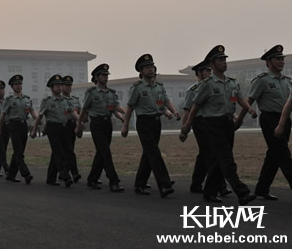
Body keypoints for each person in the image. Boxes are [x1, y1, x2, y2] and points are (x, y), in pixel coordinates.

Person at [181, 45, 257, 205]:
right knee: (227, 159)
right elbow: (194, 106)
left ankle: (209, 192)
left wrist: (249, 109)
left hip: (227, 123)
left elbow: (240, 98)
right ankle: (242, 192)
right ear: (212, 64)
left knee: (217, 160)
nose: (224, 62)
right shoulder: (207, 84)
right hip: (212, 124)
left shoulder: (231, 83)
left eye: (224, 59)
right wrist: (187, 126)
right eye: (220, 60)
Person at [237, 45, 292, 200]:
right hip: (270, 120)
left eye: (282, 59)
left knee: (274, 155)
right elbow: (249, 100)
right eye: (277, 59)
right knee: (284, 156)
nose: (281, 62)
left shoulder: (287, 81)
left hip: (285, 119)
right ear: (268, 62)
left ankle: (261, 189)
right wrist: (239, 120)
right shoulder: (262, 81)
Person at [122, 54, 178, 198]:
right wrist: (125, 125)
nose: (151, 69)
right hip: (144, 123)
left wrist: (174, 111)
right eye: (147, 67)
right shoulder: (137, 88)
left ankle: (140, 183)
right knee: (154, 152)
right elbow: (129, 107)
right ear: (141, 71)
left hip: (156, 122)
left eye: (152, 67)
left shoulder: (159, 87)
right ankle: (164, 184)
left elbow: (165, 101)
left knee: (148, 153)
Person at [79, 64, 126, 192]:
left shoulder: (111, 93)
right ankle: (113, 180)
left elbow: (116, 106)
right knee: (105, 152)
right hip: (96, 124)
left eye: (107, 75)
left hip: (108, 124)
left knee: (101, 152)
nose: (106, 77)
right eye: (103, 75)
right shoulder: (91, 93)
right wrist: (79, 125)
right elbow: (84, 110)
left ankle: (92, 179)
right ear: (97, 77)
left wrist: (125, 114)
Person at [31, 74, 81, 188]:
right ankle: (65, 175)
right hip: (53, 128)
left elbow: (73, 112)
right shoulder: (47, 101)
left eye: (60, 85)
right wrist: (34, 130)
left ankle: (51, 178)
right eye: (56, 85)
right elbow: (40, 116)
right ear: (52, 88)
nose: (59, 87)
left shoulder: (66, 100)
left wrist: (80, 121)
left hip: (64, 128)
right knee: (59, 153)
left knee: (68, 150)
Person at [0, 75, 36, 184]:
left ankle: (10, 175)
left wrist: (38, 120)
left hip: (24, 126)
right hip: (13, 126)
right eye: (16, 84)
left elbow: (33, 112)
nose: (19, 86)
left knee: (19, 151)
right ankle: (26, 174)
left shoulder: (27, 99)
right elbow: (2, 115)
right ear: (12, 86)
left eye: (20, 84)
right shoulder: (9, 100)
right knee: (19, 152)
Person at [61, 75, 81, 182]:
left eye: (70, 85)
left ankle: (62, 172)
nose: (68, 87)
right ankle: (74, 172)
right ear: (62, 86)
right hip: (62, 126)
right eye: (66, 85)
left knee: (68, 150)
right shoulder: (58, 100)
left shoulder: (75, 100)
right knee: (68, 150)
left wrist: (80, 125)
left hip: (72, 126)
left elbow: (80, 113)